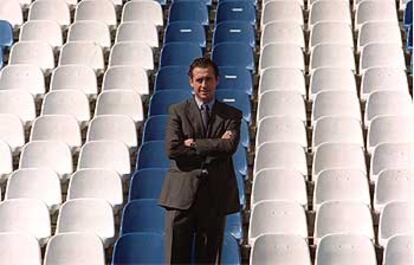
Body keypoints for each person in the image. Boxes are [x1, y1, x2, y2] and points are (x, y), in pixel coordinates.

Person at [158, 57, 242, 264]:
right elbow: (173, 149)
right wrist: (214, 144)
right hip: (181, 196)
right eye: (199, 80)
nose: (204, 85)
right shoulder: (177, 111)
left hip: (215, 195)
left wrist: (194, 144)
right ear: (191, 82)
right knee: (176, 257)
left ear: (217, 81)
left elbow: (228, 147)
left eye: (209, 79)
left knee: (210, 258)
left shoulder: (231, 114)